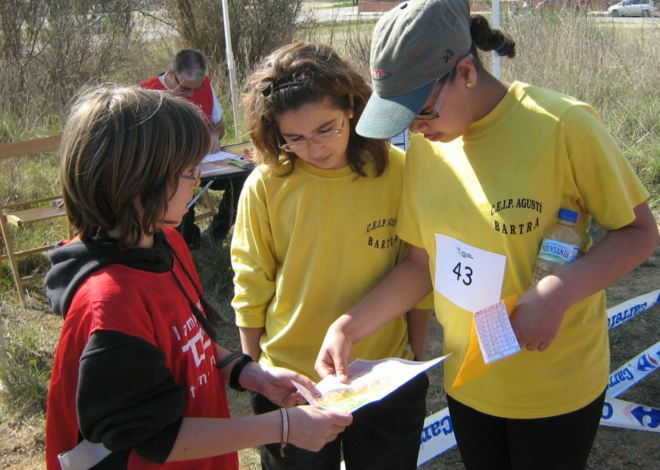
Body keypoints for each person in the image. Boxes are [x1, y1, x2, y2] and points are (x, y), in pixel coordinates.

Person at [314, 1, 659, 470]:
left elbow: (638, 232)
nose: (416, 128)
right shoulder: (426, 148)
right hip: (468, 381)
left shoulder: (564, 126)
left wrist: (558, 293)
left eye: (423, 112)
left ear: (466, 73)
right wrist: (349, 326)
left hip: (555, 388)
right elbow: (421, 265)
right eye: (406, 120)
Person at [44, 86, 352, 470]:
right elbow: (154, 438)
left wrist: (247, 372)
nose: (198, 179)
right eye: (190, 170)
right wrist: (283, 425)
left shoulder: (166, 243)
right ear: (139, 180)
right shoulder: (110, 303)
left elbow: (184, 342)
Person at [231, 41, 434, 470]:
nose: (316, 148)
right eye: (296, 139)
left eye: (327, 129)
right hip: (293, 382)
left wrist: (415, 358)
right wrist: (257, 375)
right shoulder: (266, 184)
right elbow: (251, 283)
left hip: (385, 374)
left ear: (351, 107)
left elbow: (416, 273)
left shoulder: (398, 171)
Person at [141, 48, 246, 246]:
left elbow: (219, 124)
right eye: (184, 89)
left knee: (242, 175)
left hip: (206, 164)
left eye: (195, 90)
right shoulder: (147, 93)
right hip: (172, 170)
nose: (190, 95)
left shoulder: (204, 84)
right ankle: (188, 241)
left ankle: (216, 234)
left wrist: (215, 134)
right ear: (171, 74)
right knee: (179, 185)